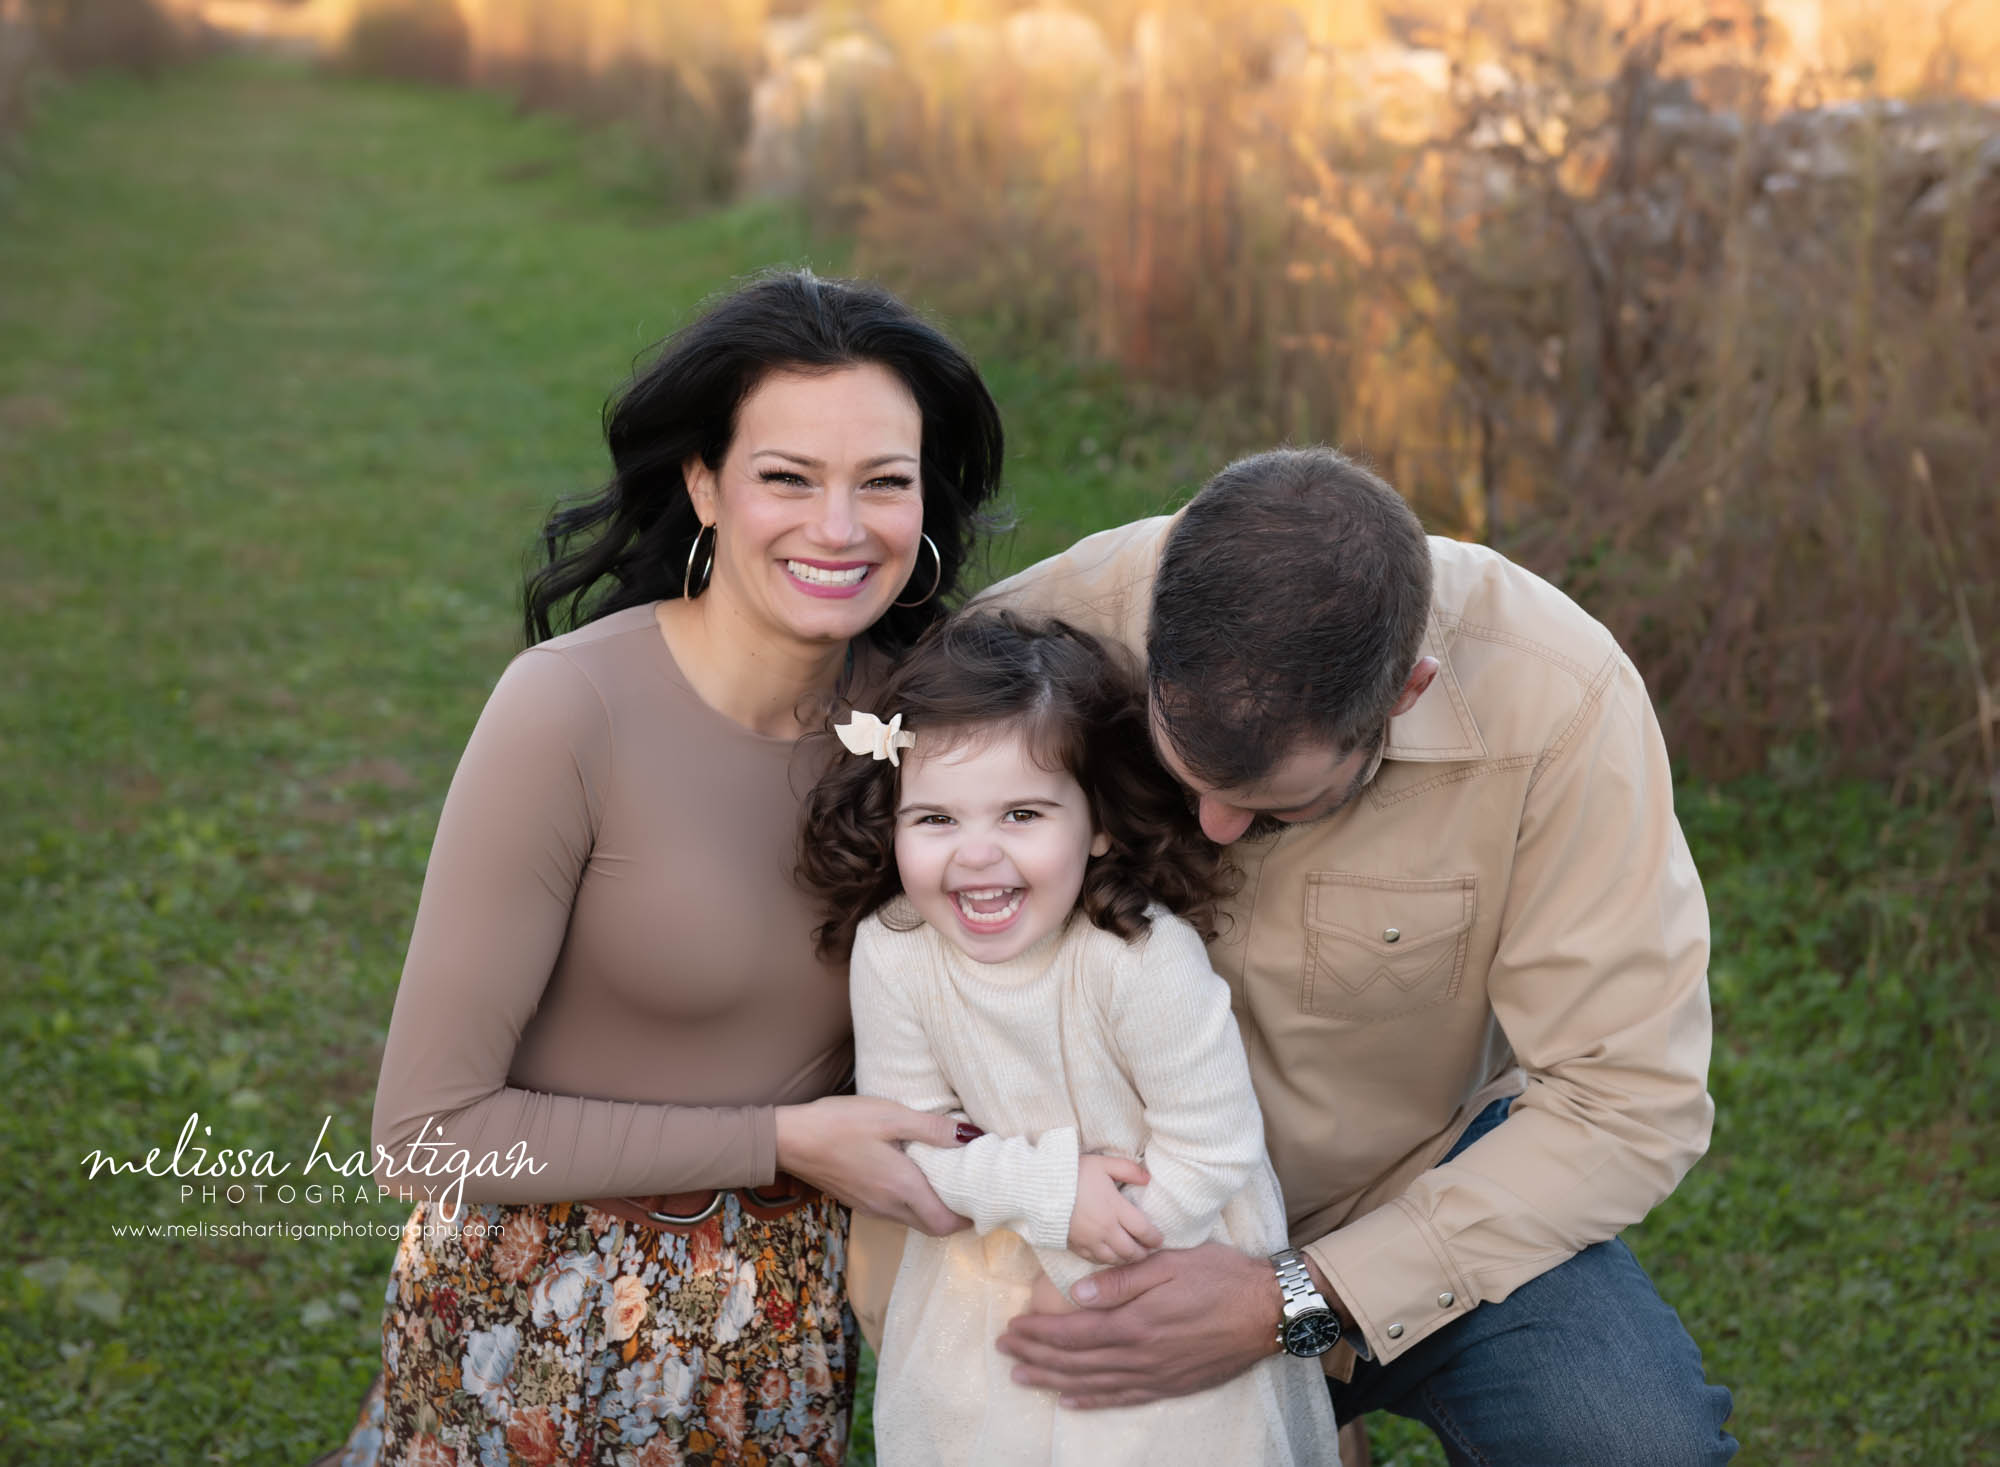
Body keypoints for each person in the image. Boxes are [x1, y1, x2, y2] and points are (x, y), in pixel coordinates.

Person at [848, 446, 1739, 1463]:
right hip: (1078, 1234)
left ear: (1405, 692)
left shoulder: (1557, 701)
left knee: (1635, 1444)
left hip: (1399, 1193)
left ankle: (1316, 1396)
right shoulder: (1041, 642)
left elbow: (1625, 1100)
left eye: (1281, 804)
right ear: (1153, 639)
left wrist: (1292, 1298)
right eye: (1182, 777)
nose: (1215, 828)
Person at [320, 268, 1004, 1467]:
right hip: (543, 1316)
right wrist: (782, 1141)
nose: (839, 528)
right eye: (786, 477)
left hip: (785, 1327)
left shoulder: (939, 724)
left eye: (881, 482)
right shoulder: (569, 707)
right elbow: (424, 1134)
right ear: (703, 484)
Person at [798, 612, 1344, 1465]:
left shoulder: (1139, 955)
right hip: (987, 1274)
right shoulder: (896, 949)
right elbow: (910, 1138)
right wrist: (1051, 1194)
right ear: (892, 820)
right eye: (935, 818)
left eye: (1021, 813)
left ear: (1097, 824)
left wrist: (1105, 1281)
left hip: (1164, 1261)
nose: (976, 854)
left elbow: (1214, 1146)